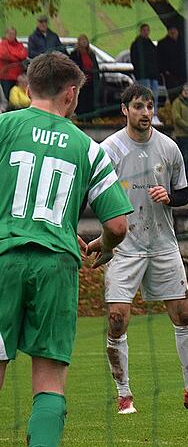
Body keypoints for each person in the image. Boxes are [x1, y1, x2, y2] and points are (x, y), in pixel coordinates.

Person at [0, 52, 132, 447]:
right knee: (50, 381)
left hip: (3, 259)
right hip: (57, 265)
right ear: (71, 96)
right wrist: (104, 247)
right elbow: (117, 225)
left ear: (27, 88)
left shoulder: (5, 126)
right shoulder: (89, 148)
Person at [99, 84, 188, 415]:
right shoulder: (110, 149)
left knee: (184, 314)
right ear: (124, 110)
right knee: (117, 319)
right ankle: (124, 394)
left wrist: (169, 197)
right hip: (125, 246)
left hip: (162, 243)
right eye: (139, 107)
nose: (146, 113)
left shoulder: (169, 148)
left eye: (150, 107)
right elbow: (95, 195)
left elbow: (184, 194)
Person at [130, 24, 161, 125]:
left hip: (153, 75)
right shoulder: (136, 44)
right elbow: (135, 60)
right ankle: (145, 115)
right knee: (145, 97)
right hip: (143, 75)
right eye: (144, 30)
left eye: (148, 30)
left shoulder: (151, 44)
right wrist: (139, 72)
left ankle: (154, 115)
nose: (146, 32)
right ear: (140, 31)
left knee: (154, 96)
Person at [68, 34, 99, 120]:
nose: (84, 42)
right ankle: (81, 117)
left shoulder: (91, 54)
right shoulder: (74, 54)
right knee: (81, 100)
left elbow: (95, 67)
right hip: (80, 82)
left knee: (90, 100)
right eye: (82, 40)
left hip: (90, 81)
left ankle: (90, 117)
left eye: (85, 40)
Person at [157, 26, 187, 102]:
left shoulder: (184, 42)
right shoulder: (162, 43)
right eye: (171, 30)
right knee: (174, 97)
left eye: (175, 30)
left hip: (184, 75)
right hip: (171, 76)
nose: (173, 32)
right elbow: (159, 59)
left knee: (186, 95)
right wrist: (165, 71)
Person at [171, 84, 188, 184]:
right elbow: (177, 119)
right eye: (185, 90)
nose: (187, 91)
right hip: (182, 135)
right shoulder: (177, 103)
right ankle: (186, 181)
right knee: (185, 159)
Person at [0, 27, 27, 99]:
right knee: (8, 98)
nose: (11, 35)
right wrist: (17, 58)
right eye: (9, 33)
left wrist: (11, 55)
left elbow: (24, 54)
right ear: (6, 34)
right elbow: (4, 55)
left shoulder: (19, 44)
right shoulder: (3, 44)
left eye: (13, 34)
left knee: (19, 98)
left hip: (18, 77)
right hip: (6, 76)